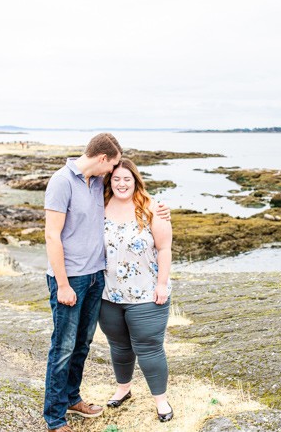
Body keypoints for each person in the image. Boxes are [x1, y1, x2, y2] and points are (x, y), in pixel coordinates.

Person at [41, 133, 169, 431]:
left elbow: (132, 196)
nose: (113, 174)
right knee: (62, 348)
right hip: (70, 278)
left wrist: (163, 210)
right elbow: (51, 235)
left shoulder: (96, 183)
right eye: (111, 167)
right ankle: (55, 417)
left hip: (97, 277)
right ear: (102, 159)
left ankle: (72, 398)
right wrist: (62, 284)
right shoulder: (61, 181)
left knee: (82, 344)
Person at [97, 158, 174, 422]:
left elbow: (164, 248)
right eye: (116, 179)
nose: (121, 183)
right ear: (110, 181)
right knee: (118, 346)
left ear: (135, 181)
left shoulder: (152, 208)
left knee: (149, 347)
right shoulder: (100, 206)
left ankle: (161, 402)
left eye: (126, 179)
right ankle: (123, 389)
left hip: (147, 295)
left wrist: (162, 284)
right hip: (108, 295)